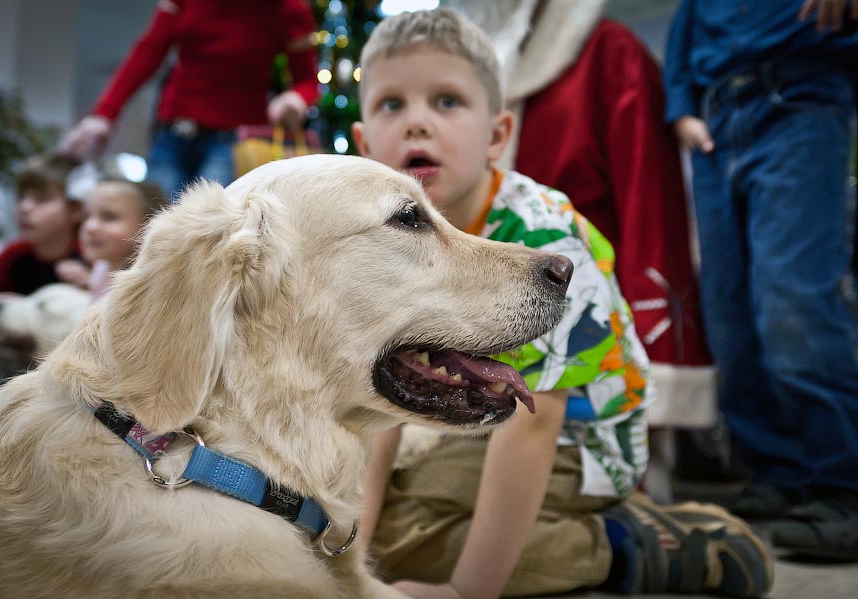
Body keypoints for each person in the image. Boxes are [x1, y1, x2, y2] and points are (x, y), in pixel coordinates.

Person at [352, 9, 773, 598]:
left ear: (498, 134)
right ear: (365, 142)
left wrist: (465, 592)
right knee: (369, 523)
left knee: (402, 537)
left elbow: (532, 426)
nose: (417, 123)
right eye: (392, 104)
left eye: (446, 101)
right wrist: (347, 565)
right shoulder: (393, 243)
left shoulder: (541, 242)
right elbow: (386, 415)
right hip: (474, 426)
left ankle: (636, 543)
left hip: (583, 441)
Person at [443, 0, 715, 429]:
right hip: (471, 342)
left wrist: (657, 346)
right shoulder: (443, 66)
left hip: (583, 337)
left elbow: (651, 207)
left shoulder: (609, 56)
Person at [664, 0, 858, 560]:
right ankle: (778, 470)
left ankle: (843, 485)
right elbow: (684, 30)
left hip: (799, 100)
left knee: (793, 298)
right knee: (729, 314)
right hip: (716, 121)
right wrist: (681, 108)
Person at [61, 0, 319, 200]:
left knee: (207, 232)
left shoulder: (288, 8)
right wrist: (104, 114)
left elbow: (308, 80)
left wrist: (296, 98)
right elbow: (148, 52)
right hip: (171, 134)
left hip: (232, 142)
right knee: (157, 228)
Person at [0, 153, 86, 376]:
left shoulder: (89, 257)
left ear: (75, 210)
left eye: (42, 199)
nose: (25, 208)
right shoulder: (14, 254)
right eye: (20, 198)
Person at [58, 179, 167, 301]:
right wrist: (88, 280)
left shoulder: (151, 286)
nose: (90, 226)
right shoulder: (102, 266)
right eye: (87, 216)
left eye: (109, 216)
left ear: (148, 225)